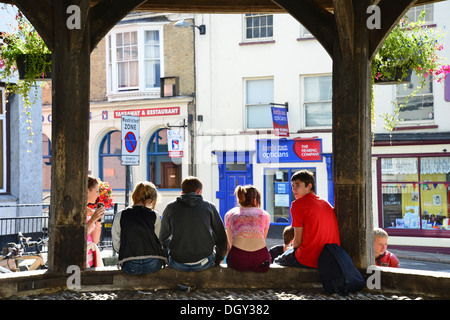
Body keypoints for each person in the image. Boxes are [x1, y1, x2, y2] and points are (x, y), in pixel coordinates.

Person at [274, 170, 340, 268]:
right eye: (292, 186)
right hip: (331, 256)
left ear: (309, 186)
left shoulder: (298, 205)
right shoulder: (325, 204)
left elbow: (297, 241)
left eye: (297, 185)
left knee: (276, 261)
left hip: (310, 258)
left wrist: (293, 249)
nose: (294, 189)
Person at [159, 176, 227, 272]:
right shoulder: (209, 207)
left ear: (182, 192)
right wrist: (219, 259)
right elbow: (221, 237)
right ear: (199, 191)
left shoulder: (170, 207)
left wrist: (167, 256)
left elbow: (162, 238)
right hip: (204, 262)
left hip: (177, 263)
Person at [112, 181, 166, 275]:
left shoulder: (121, 214)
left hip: (130, 264)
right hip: (152, 263)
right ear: (149, 200)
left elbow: (116, 241)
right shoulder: (154, 215)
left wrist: (125, 251)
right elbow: (159, 239)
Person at [224, 185, 271, 272]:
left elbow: (231, 244)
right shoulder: (265, 215)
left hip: (237, 260)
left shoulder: (229, 214)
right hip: (260, 260)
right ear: (256, 199)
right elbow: (262, 238)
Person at [86, 175, 105, 268]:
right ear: (87, 190)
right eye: (96, 191)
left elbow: (95, 240)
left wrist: (98, 221)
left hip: (90, 260)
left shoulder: (88, 211)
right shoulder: (77, 210)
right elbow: (79, 235)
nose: (98, 195)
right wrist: (93, 219)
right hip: (81, 261)